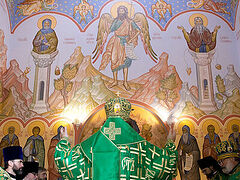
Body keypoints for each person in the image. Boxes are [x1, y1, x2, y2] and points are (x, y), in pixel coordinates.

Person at [55, 97, 178, 179]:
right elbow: (166, 162)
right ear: (129, 125)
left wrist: (64, 141)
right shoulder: (141, 146)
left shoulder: (94, 145)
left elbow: (66, 163)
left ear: (105, 124)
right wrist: (170, 142)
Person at [99, 6, 141, 91]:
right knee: (114, 60)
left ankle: (125, 82)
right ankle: (115, 81)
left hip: (126, 42)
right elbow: (110, 30)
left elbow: (138, 31)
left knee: (126, 62)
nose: (121, 12)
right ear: (118, 12)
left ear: (125, 12)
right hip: (116, 42)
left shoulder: (130, 21)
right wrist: (105, 26)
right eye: (120, 11)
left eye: (123, 11)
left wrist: (131, 39)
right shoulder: (116, 21)